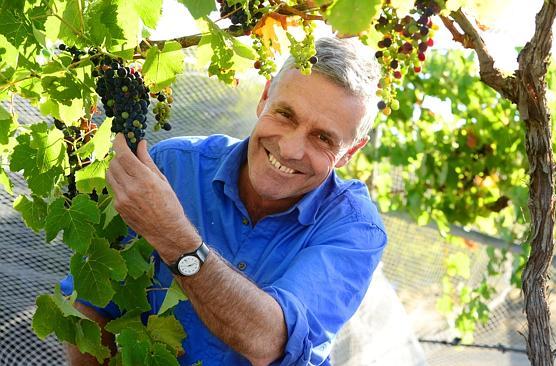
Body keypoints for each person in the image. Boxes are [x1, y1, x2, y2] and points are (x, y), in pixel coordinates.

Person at [64, 36, 387, 366]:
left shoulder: (355, 229)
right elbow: (94, 304)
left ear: (349, 152)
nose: (290, 149)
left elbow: (269, 340)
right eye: (285, 114)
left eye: (323, 138)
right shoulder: (171, 167)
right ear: (264, 98)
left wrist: (172, 235)